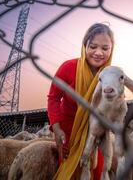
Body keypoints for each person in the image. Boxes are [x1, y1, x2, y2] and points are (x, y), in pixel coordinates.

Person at [47, 23, 114, 180]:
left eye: (105, 48)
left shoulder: (111, 75)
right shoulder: (69, 67)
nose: (98, 53)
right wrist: (56, 129)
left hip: (96, 133)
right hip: (69, 132)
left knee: (96, 171)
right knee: (71, 172)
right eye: (93, 46)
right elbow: (53, 98)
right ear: (85, 46)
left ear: (111, 50)